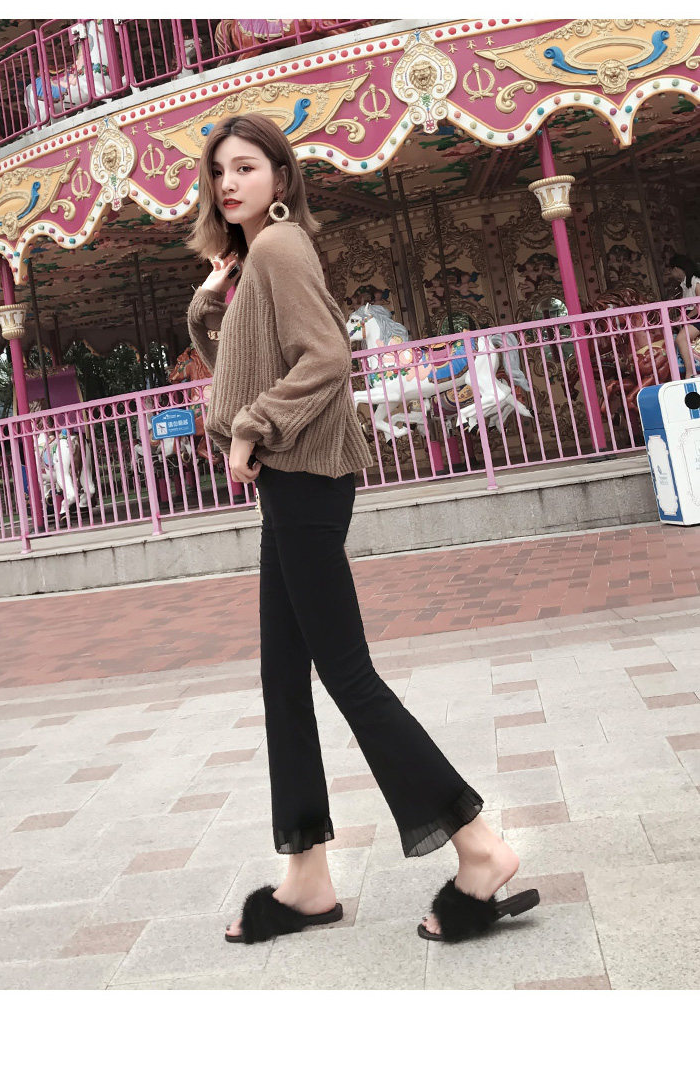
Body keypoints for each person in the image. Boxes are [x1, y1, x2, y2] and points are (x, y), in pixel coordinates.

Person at [186, 113, 539, 946]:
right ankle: (306, 878)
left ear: (281, 176)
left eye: (246, 166)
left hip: (305, 477)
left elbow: (327, 359)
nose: (229, 182)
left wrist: (251, 428)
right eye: (219, 171)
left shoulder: (280, 247)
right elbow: (243, 361)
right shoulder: (257, 260)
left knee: (345, 672)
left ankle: (479, 847)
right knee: (283, 676)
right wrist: (208, 305)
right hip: (293, 480)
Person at [669, 254, 700, 378]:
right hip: (693, 316)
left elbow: (699, 304)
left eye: (671, 270)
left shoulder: (695, 281)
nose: (671, 274)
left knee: (681, 339)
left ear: (676, 269)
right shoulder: (685, 284)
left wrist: (686, 317)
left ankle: (690, 372)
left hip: (698, 316)